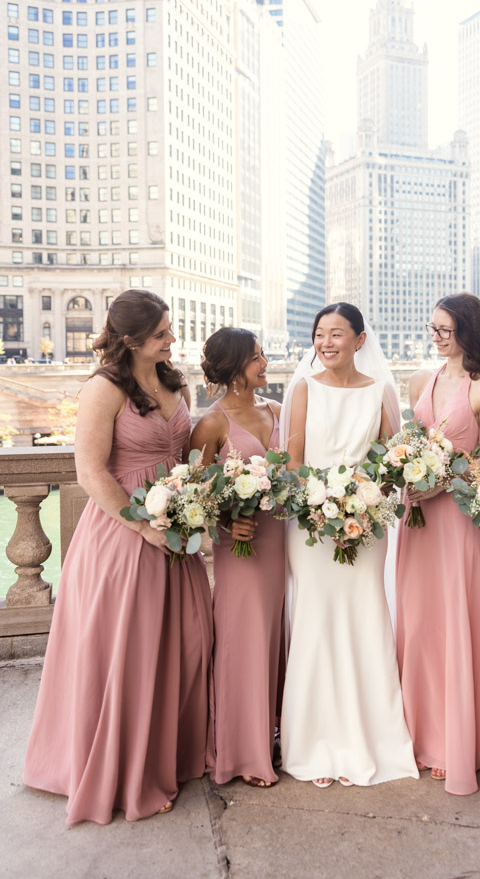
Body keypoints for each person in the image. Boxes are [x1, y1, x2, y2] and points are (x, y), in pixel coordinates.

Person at [23, 290, 213, 825]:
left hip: (179, 529)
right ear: (129, 340)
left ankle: (169, 756)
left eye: (170, 330)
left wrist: (192, 506)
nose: (172, 340)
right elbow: (91, 472)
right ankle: (124, 769)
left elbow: (185, 454)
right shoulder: (103, 389)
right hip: (123, 538)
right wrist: (142, 526)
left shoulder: (174, 380)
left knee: (183, 645)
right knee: (128, 651)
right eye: (161, 335)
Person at [280, 302, 418, 788]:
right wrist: (320, 504)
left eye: (337, 334)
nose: (326, 343)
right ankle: (316, 744)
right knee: (315, 621)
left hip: (368, 522)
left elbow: (391, 459)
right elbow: (293, 463)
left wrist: (362, 501)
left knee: (364, 616)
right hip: (309, 524)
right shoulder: (301, 389)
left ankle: (372, 738)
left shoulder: (381, 390)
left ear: (360, 340)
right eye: (320, 334)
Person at [395, 293, 480, 795]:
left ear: (467, 331)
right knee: (419, 624)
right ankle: (417, 733)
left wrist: (443, 480)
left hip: (459, 522)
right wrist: (407, 475)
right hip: (418, 520)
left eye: (444, 329)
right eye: (432, 327)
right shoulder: (422, 380)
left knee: (456, 623)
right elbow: (407, 444)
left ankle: (453, 740)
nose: (436, 337)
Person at [190, 327, 285, 790]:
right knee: (243, 642)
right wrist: (228, 523)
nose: (265, 363)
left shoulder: (279, 411)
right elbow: (196, 495)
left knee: (279, 638)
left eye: (263, 355)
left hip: (283, 544)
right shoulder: (211, 424)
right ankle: (242, 751)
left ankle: (278, 733)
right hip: (242, 550)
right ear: (233, 369)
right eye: (256, 358)